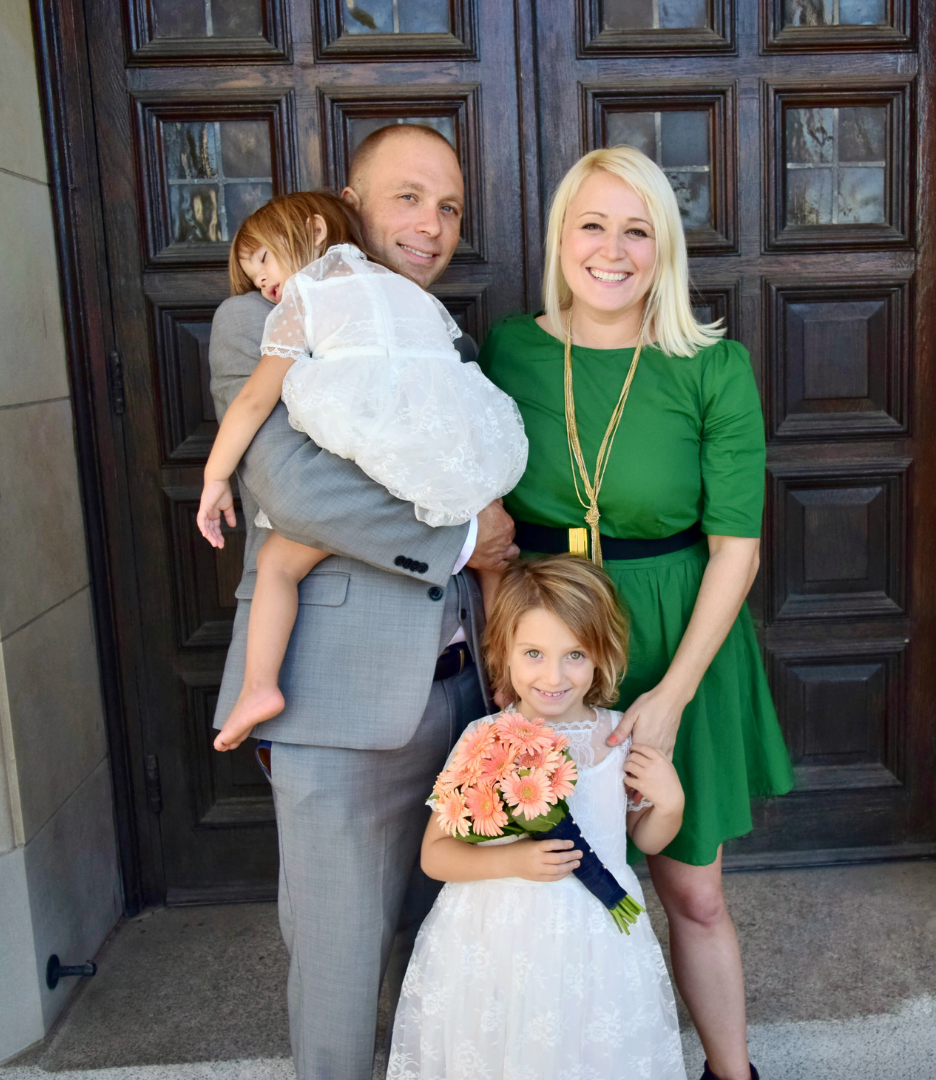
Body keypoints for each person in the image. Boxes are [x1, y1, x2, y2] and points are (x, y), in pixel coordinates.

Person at [206, 125, 518, 1080]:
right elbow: (297, 491)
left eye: (450, 206)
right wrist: (469, 537)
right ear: (349, 201)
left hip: (461, 701)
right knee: (339, 979)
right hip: (334, 708)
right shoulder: (264, 317)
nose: (432, 226)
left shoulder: (441, 332)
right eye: (409, 197)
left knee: (447, 967)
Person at [478, 145, 795, 1080]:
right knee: (554, 882)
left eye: (637, 230)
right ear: (560, 237)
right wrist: (506, 666)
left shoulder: (712, 365)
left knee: (690, 889)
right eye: (593, 224)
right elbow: (490, 519)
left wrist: (670, 698)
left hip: (674, 641)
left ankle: (730, 1073)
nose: (611, 250)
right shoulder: (510, 349)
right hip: (544, 650)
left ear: (663, 250)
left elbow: (737, 546)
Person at [197, 193, 526, 752]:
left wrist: (213, 480)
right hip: (454, 445)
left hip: (381, 459)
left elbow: (253, 402)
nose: (265, 287)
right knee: (496, 559)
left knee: (278, 561)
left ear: (317, 230)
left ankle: (259, 686)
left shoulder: (306, 299)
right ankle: (510, 682)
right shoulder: (408, 295)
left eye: (266, 264)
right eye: (255, 280)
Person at [387, 555, 688, 1079]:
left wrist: (671, 803)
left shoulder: (618, 739)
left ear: (602, 655)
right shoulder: (485, 740)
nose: (553, 676)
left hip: (594, 940)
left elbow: (647, 839)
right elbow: (436, 856)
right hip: (497, 939)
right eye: (533, 654)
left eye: (574, 654)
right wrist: (516, 859)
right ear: (504, 652)